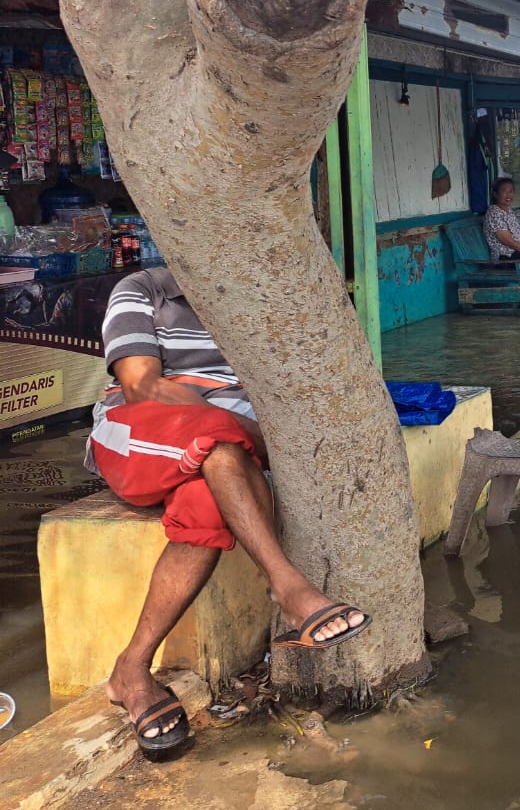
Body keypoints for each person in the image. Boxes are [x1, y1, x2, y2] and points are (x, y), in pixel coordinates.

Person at [86, 268, 372, 754]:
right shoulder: (144, 289)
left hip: (224, 455)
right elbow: (141, 386)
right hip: (137, 435)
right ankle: (287, 584)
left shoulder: (261, 293)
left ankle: (131, 671)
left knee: (210, 492)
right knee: (217, 434)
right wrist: (258, 435)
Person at [482, 176, 520, 262]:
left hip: (519, 251)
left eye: (511, 191)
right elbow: (507, 241)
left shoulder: (509, 211)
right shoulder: (494, 213)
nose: (508, 195)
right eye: (504, 191)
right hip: (506, 257)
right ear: (495, 194)